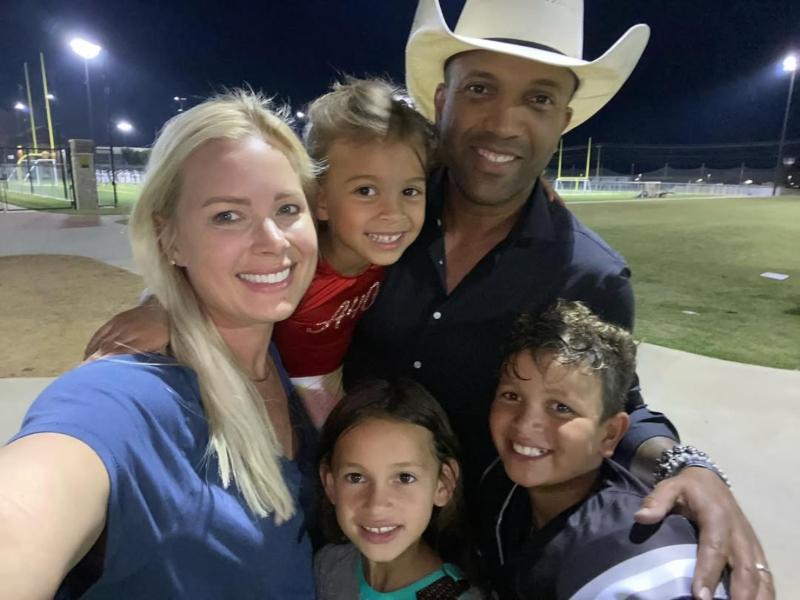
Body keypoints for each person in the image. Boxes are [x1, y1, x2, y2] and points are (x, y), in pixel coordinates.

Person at [344, 1, 772, 598]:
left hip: (485, 559)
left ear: (563, 120)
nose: (504, 122)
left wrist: (688, 465)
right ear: (442, 101)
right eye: (481, 88)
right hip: (348, 529)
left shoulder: (587, 275)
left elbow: (612, 405)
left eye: (538, 99)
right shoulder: (377, 217)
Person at [0, 92, 320, 597]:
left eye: (286, 208)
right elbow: (21, 517)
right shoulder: (129, 395)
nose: (273, 240)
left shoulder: (270, 357)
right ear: (169, 238)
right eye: (227, 216)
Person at [85, 78, 435, 430]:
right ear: (321, 199)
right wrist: (159, 310)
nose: (393, 212)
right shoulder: (297, 265)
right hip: (268, 392)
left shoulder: (387, 254)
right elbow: (207, 280)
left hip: (332, 384)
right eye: (365, 190)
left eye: (410, 191)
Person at [480, 300, 729, 599]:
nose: (525, 424)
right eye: (511, 395)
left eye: (561, 407)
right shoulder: (502, 491)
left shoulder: (643, 554)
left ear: (609, 434)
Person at [314, 378, 482, 599]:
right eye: (355, 477)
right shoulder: (330, 566)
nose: (376, 505)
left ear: (443, 484)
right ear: (330, 483)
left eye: (404, 478)